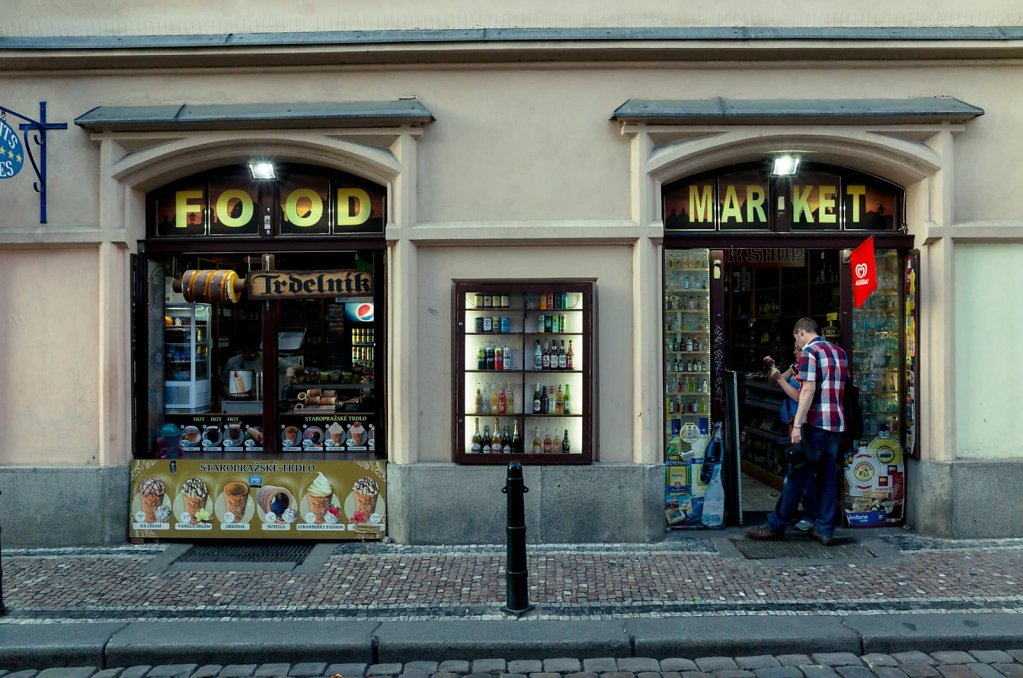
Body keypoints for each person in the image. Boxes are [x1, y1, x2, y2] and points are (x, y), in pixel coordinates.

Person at [748, 317, 849, 546]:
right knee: (827, 478)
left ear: (801, 332)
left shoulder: (810, 353)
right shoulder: (839, 352)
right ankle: (825, 529)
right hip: (837, 424)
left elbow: (808, 391)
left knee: (796, 476)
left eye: (796, 338)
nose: (798, 344)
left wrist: (796, 425)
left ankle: (775, 525)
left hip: (816, 425)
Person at [766, 345, 816, 532]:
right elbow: (775, 382)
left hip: (801, 427)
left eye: (798, 349)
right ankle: (791, 513)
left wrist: (780, 378)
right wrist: (774, 370)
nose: (794, 352)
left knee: (801, 472)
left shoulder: (810, 371)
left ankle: (807, 515)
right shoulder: (796, 367)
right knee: (793, 472)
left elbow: (799, 396)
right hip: (790, 425)